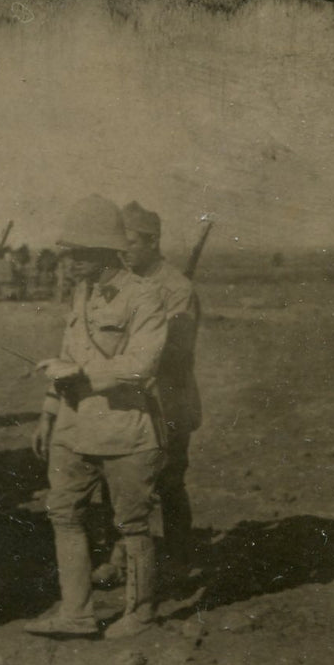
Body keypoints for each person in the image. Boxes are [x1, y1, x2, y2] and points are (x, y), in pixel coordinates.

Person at [26, 195, 168, 639]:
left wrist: (83, 373)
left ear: (104, 253)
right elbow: (68, 354)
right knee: (63, 513)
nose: (69, 263)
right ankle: (77, 612)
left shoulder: (144, 297)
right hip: (73, 426)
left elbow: (142, 364)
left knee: (132, 524)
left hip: (123, 429)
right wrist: (49, 413)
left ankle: (140, 612)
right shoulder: (82, 294)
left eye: (78, 255)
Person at [121, 201, 202, 574]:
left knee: (168, 481)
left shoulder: (176, 288)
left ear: (152, 242)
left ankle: (180, 559)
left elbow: (177, 352)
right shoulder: (124, 284)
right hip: (129, 396)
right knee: (123, 481)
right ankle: (122, 558)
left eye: (131, 244)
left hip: (168, 399)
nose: (123, 252)